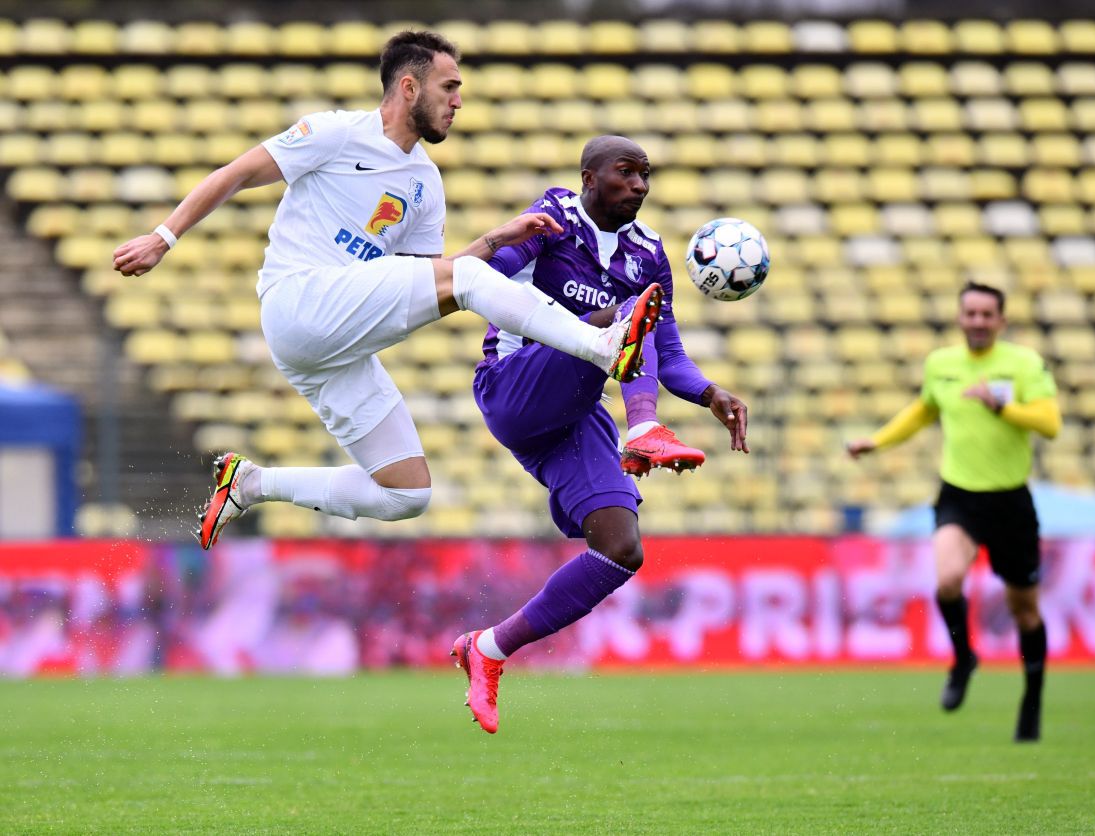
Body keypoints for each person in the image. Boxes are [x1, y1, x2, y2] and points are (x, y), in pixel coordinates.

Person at [111, 31, 660, 549]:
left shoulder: (426, 184)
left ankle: (251, 485)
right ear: (409, 86)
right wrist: (164, 237)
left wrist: (496, 239)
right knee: (468, 281)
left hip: (330, 349)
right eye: (450, 87)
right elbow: (236, 173)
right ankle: (601, 345)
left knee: (406, 492)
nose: (459, 102)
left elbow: (428, 283)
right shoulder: (335, 132)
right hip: (301, 299)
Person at [450, 135, 749, 734]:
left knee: (620, 549)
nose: (639, 185)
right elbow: (473, 281)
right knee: (621, 316)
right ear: (589, 177)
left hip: (575, 410)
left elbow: (668, 352)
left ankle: (489, 650)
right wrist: (505, 244)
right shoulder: (553, 222)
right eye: (626, 172)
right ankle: (643, 427)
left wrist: (712, 393)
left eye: (646, 175)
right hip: (514, 386)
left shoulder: (648, 254)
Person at [846, 282, 1060, 742]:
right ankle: (964, 657)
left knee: (1026, 611)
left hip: (1010, 501)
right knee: (946, 581)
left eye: (987, 314)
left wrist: (1005, 407)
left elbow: (1051, 423)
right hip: (959, 496)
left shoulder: (1023, 364)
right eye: (971, 313)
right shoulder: (941, 364)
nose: (978, 322)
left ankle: (1032, 700)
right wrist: (877, 441)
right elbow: (924, 411)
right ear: (960, 317)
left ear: (1001, 321)